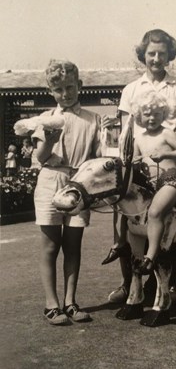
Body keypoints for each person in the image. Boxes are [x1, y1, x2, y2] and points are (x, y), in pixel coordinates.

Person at [102, 29, 176, 302]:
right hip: (140, 165)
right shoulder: (132, 89)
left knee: (170, 222)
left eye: (162, 53)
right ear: (143, 55)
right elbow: (127, 132)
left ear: (169, 55)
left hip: (170, 166)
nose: (156, 58)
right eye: (151, 53)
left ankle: (169, 280)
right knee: (129, 222)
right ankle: (129, 283)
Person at [32, 59, 101, 325]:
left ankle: (70, 301)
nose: (65, 94)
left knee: (73, 246)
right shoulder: (46, 120)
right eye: (59, 90)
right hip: (51, 179)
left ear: (79, 86)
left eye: (70, 87)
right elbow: (40, 157)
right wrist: (48, 142)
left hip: (79, 182)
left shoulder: (93, 119)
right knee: (51, 246)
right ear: (51, 91)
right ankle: (51, 304)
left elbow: (97, 157)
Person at [131, 90, 176, 273]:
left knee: (155, 212)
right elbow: (134, 161)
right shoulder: (138, 138)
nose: (152, 118)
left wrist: (166, 153)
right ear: (140, 115)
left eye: (157, 114)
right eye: (147, 114)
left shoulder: (166, 133)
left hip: (171, 179)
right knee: (132, 219)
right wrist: (137, 162)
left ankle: (150, 257)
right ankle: (135, 255)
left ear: (163, 114)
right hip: (150, 185)